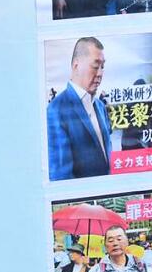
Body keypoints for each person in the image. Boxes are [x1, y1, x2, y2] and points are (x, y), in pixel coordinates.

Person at [46, 37, 112, 181]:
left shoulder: (100, 107)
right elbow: (60, 177)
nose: (100, 73)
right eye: (95, 66)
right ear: (76, 65)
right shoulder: (56, 110)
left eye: (102, 67)